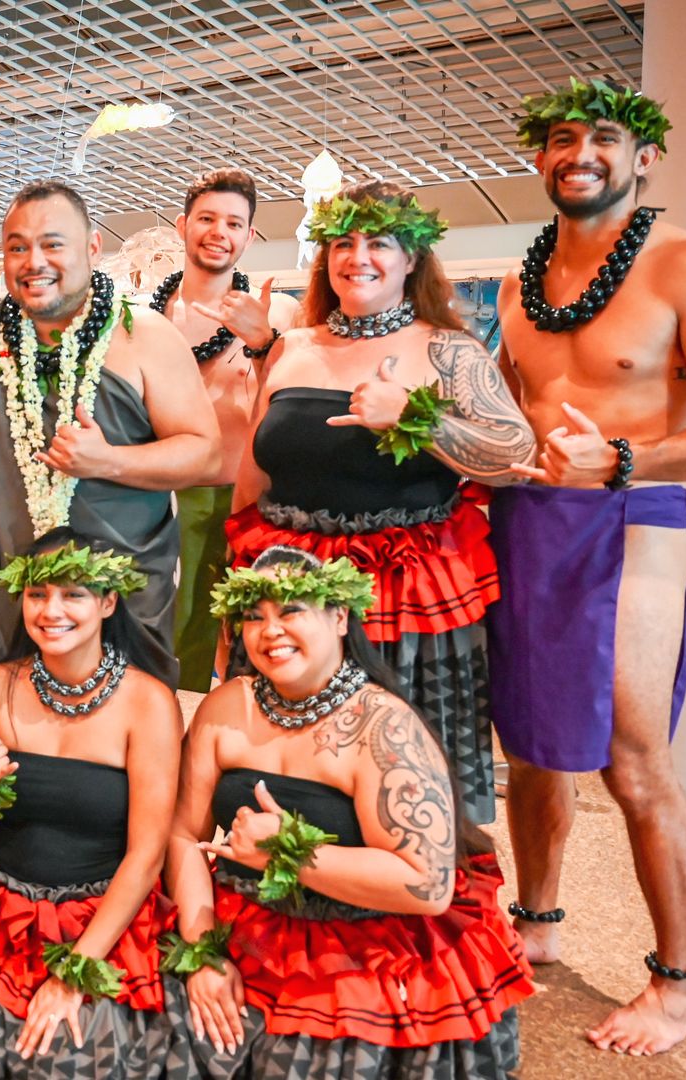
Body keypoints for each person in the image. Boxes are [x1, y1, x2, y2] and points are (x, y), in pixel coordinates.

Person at [491, 78, 686, 1055]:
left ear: (643, 155)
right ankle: (532, 924)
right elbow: (513, 413)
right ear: (540, 159)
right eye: (561, 138)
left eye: (603, 137)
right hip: (530, 522)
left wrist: (631, 459)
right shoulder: (516, 286)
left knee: (632, 760)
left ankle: (679, 984)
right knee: (531, 747)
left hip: (635, 518)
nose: (580, 152)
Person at [226, 180, 535, 824]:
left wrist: (414, 420)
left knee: (407, 776)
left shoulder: (448, 350)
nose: (357, 256)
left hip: (407, 587)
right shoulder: (292, 348)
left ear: (411, 259)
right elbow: (254, 474)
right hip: (287, 583)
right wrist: (237, 588)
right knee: (288, 762)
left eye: (379, 243)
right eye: (343, 242)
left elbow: (515, 458)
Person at [165, 548, 532, 1078]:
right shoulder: (226, 707)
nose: (270, 630)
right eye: (254, 615)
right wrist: (202, 954)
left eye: (291, 610)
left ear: (340, 617)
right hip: (237, 918)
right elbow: (183, 835)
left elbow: (428, 886)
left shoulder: (383, 729)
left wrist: (286, 851)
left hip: (360, 942)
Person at [0, 180, 221, 689]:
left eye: (53, 244)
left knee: (123, 747)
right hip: (9, 587)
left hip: (123, 588)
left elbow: (207, 455)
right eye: (17, 247)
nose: (34, 261)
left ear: (92, 248)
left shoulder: (141, 334)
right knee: (14, 740)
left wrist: (108, 462)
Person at [0, 533, 187, 1078]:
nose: (52, 610)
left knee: (72, 1052)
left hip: (101, 916)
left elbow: (146, 856)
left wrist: (73, 975)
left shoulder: (148, 704)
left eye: (73, 595)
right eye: (38, 594)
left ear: (108, 603)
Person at [147, 168, 297, 691]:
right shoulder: (150, 317)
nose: (219, 231)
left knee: (250, 644)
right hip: (164, 499)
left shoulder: (279, 310)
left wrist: (263, 343)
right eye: (207, 218)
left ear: (249, 237)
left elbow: (291, 407)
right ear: (182, 225)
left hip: (246, 499)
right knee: (168, 647)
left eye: (234, 223)